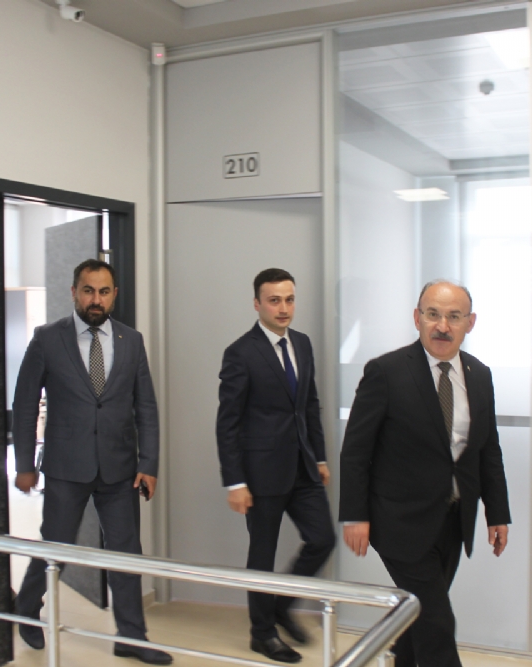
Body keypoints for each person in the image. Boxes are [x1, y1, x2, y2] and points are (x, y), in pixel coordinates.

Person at [339, 280, 511, 667]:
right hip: (398, 520)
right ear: (417, 318)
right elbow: (356, 451)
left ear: (470, 323)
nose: (442, 326)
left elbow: (487, 449)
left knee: (415, 615)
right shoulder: (386, 371)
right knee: (437, 622)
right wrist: (354, 515)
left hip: (453, 519)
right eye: (433, 314)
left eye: (454, 317)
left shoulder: (479, 375)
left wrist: (497, 512)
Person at [12, 259, 172, 665]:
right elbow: (25, 405)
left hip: (120, 469)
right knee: (57, 545)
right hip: (66, 467)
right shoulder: (47, 339)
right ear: (74, 292)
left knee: (125, 553)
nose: (95, 299)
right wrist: (25, 464)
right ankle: (27, 609)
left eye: (103, 291)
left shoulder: (131, 340)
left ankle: (132, 637)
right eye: (88, 291)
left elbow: (146, 407)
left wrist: (149, 462)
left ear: (114, 295)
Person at [216, 268, 336, 664]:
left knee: (322, 539)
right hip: (260, 473)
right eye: (274, 300)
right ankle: (262, 633)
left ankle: (281, 607)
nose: (283, 308)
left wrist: (319, 457)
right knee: (262, 556)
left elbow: (309, 405)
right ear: (257, 304)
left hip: (303, 467)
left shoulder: (301, 343)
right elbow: (228, 422)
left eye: (289, 299)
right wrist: (235, 481)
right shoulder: (241, 352)